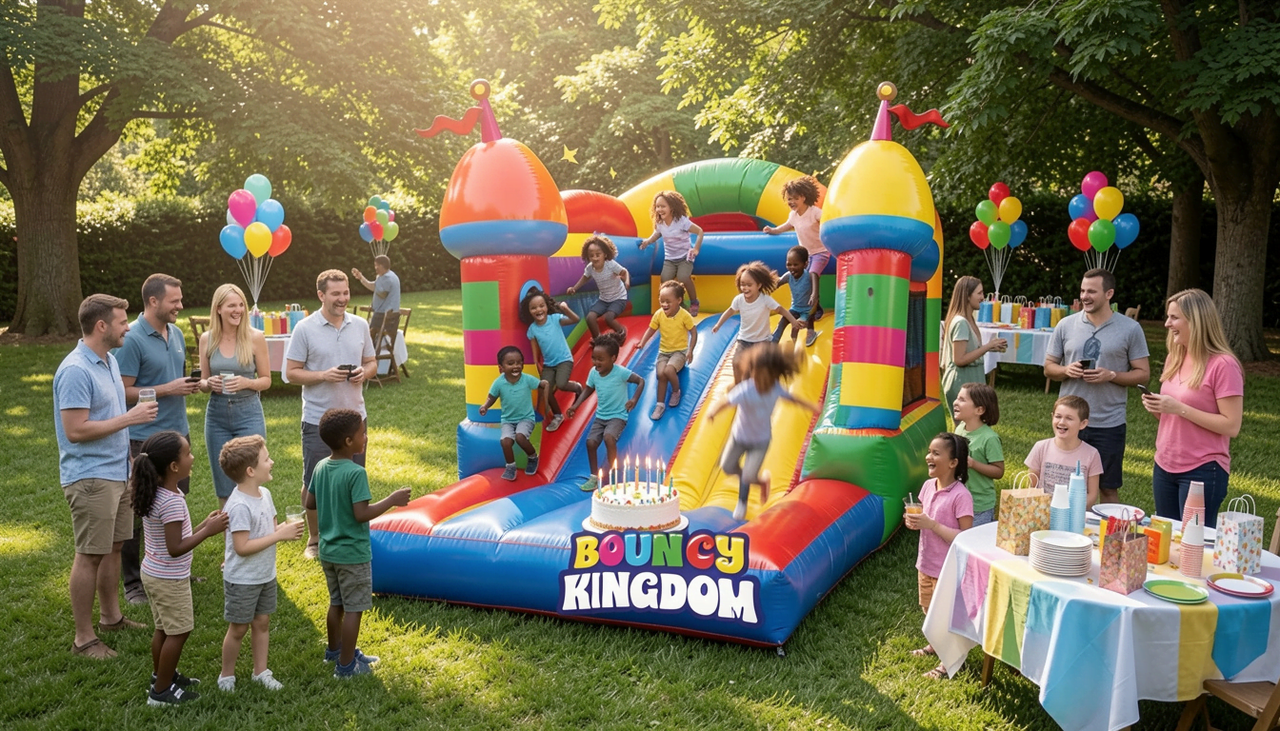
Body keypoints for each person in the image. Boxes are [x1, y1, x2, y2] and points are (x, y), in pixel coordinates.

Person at [54, 294, 158, 659]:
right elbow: (75, 430)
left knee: (114, 548)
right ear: (102, 326)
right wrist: (131, 418)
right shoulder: (75, 370)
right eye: (122, 321)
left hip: (118, 471)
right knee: (89, 555)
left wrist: (128, 460)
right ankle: (84, 638)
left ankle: (111, 618)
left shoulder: (109, 360)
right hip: (90, 477)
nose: (128, 327)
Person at [304, 409, 411, 678]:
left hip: (328, 551)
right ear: (349, 441)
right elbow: (361, 514)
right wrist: (392, 500)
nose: (366, 437)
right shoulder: (355, 473)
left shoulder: (321, 466)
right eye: (362, 433)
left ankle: (335, 651)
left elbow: (309, 502)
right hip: (352, 554)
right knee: (354, 609)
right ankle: (346, 666)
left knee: (336, 603)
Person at [116, 273, 202, 604]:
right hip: (143, 440)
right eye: (174, 301)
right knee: (138, 510)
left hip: (178, 434)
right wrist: (168, 389)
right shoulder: (132, 338)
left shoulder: (176, 333)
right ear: (153, 301)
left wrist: (187, 386)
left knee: (174, 505)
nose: (180, 305)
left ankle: (173, 568)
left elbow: (171, 380)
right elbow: (123, 392)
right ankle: (133, 583)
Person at [131, 431, 228, 706]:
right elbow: (175, 548)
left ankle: (162, 676)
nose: (192, 457)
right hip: (169, 579)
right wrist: (208, 532)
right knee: (179, 631)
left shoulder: (159, 493)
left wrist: (202, 525)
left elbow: (174, 538)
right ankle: (161, 692)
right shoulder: (171, 501)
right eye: (188, 454)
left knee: (163, 629)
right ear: (174, 466)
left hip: (153, 573)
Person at [286, 270, 377, 560]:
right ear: (321, 295)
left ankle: (350, 533)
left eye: (345, 292)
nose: (342, 298)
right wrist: (324, 375)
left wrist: (365, 372)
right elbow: (291, 373)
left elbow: (372, 361)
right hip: (317, 419)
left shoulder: (359, 324)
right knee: (314, 481)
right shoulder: (305, 328)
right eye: (335, 293)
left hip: (354, 418)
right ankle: (314, 539)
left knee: (354, 478)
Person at [1045, 268, 1150, 504]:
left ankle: (1108, 529)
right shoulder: (1065, 325)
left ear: (1109, 294)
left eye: (1091, 291)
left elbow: (1143, 375)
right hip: (1069, 422)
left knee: (1107, 489)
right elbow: (1048, 367)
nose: (1084, 296)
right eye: (1082, 291)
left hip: (1108, 423)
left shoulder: (1130, 329)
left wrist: (1111, 375)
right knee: (1062, 486)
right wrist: (1066, 370)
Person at [1142, 289, 1244, 528]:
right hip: (1164, 464)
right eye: (1168, 317)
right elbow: (1176, 418)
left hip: (1203, 470)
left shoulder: (1224, 365)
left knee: (1194, 543)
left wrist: (1179, 408)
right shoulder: (1175, 358)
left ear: (1195, 320)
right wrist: (1159, 407)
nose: (1167, 324)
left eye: (1174, 318)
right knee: (1167, 538)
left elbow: (1232, 425)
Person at [217, 435, 304, 692]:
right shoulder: (239, 506)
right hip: (243, 579)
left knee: (262, 623)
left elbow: (269, 530)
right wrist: (279, 535)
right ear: (250, 471)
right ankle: (226, 675)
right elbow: (242, 547)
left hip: (265, 574)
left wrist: (284, 529)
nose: (272, 462)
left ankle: (260, 671)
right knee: (238, 628)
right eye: (267, 459)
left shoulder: (264, 494)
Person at [705, 344, 820, 521]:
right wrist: (713, 411)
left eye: (763, 376)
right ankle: (760, 481)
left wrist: (811, 406)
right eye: (755, 374)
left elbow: (793, 399)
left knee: (748, 474)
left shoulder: (776, 388)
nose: (758, 379)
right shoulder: (746, 389)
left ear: (773, 375)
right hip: (739, 437)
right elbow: (726, 401)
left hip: (760, 441)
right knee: (727, 466)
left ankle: (743, 500)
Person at [906, 432, 973, 680]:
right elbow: (924, 517)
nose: (928, 457)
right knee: (929, 609)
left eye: (936, 453)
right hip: (926, 562)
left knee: (946, 616)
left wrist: (932, 525)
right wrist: (914, 522)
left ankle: (949, 662)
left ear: (953, 462)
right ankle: (936, 644)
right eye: (929, 451)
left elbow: (965, 537)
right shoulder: (927, 486)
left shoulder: (961, 496)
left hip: (948, 569)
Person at [198, 283, 271, 508]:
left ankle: (256, 527)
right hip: (217, 414)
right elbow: (202, 382)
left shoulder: (255, 337)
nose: (238, 310)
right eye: (232, 306)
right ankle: (230, 530)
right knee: (224, 486)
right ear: (218, 309)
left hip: (248, 412)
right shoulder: (207, 339)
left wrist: (247, 382)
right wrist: (208, 383)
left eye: (241, 305)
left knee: (251, 479)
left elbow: (266, 380)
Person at [566, 333, 644, 492]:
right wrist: (576, 405)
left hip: (618, 415)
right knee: (591, 442)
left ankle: (615, 472)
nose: (596, 362)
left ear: (613, 358)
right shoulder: (593, 373)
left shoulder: (620, 372)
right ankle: (594, 477)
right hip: (601, 416)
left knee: (609, 437)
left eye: (600, 359)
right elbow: (589, 389)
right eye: (594, 358)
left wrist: (634, 399)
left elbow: (640, 381)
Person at [712, 261, 804, 382]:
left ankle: (764, 384)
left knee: (760, 368)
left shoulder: (765, 300)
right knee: (736, 363)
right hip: (744, 340)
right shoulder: (739, 300)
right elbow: (730, 311)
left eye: (749, 285)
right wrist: (718, 324)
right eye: (742, 284)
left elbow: (781, 310)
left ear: (759, 285)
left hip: (762, 341)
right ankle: (739, 387)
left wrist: (793, 321)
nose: (745, 288)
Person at [764, 175, 828, 327]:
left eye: (795, 198)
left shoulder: (814, 212)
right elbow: (786, 226)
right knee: (803, 279)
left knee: (812, 275)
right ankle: (806, 306)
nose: (791, 202)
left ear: (804, 197)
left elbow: (827, 222)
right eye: (789, 199)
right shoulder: (793, 215)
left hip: (821, 251)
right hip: (806, 255)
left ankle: (816, 305)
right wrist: (773, 230)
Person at [478, 346, 548, 481]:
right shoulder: (499, 383)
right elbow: (492, 397)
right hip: (508, 420)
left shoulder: (527, 379)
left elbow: (541, 385)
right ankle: (510, 467)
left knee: (520, 437)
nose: (516, 366)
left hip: (526, 418)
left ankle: (533, 457)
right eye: (510, 364)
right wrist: (485, 406)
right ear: (501, 368)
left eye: (519, 363)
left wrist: (544, 384)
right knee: (506, 442)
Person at [520, 287, 582, 432]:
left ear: (547, 307)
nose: (538, 310)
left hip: (564, 359)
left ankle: (577, 388)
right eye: (533, 308)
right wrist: (536, 363)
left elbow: (576, 319)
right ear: (529, 311)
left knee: (561, 384)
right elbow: (535, 347)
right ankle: (558, 415)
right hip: (548, 363)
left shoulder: (555, 319)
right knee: (545, 389)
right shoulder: (532, 329)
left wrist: (565, 309)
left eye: (541, 306)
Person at [941, 276, 1005, 413]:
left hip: (971, 381)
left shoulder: (969, 319)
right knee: (969, 424)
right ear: (967, 296)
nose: (983, 297)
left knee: (975, 423)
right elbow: (959, 359)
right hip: (961, 383)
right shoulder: (961, 322)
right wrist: (987, 346)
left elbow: (970, 351)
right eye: (979, 293)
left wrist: (991, 347)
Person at [1024, 396, 1103, 507]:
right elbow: (1032, 487)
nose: (1062, 422)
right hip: (1043, 511)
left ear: (1083, 424)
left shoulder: (1092, 454)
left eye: (1069, 418)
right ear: (1052, 417)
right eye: (1058, 416)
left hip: (1075, 513)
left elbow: (1092, 495)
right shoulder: (1040, 447)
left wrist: (1072, 510)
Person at [637, 280, 697, 419]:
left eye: (668, 301)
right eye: (661, 301)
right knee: (660, 374)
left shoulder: (684, 315)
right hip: (664, 352)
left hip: (680, 352)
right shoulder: (659, 314)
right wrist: (642, 342)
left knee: (669, 370)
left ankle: (676, 391)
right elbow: (651, 329)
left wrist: (690, 350)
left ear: (679, 300)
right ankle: (660, 405)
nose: (664, 304)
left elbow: (694, 332)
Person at [638, 190, 705, 315]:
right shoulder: (660, 223)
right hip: (670, 259)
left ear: (672, 207)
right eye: (657, 206)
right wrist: (647, 241)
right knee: (665, 280)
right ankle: (679, 305)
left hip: (685, 257)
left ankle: (694, 302)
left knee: (683, 277)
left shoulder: (681, 221)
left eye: (663, 206)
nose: (659, 209)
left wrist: (696, 249)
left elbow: (700, 231)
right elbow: (657, 234)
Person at [951, 383, 1004, 526]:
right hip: (960, 499)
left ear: (979, 410)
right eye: (957, 398)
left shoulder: (989, 438)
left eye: (962, 400)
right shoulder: (960, 429)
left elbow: (999, 471)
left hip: (979, 505)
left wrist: (973, 464)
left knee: (974, 537)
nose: (955, 402)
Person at [565, 235, 630, 338]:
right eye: (591, 255)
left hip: (618, 298)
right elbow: (585, 277)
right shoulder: (590, 268)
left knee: (609, 318)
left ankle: (621, 332)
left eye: (598, 255)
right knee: (590, 318)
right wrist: (574, 288)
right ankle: (598, 339)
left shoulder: (610, 264)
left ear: (605, 254)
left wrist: (627, 281)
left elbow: (624, 271)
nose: (594, 258)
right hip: (604, 299)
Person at [771, 246, 822, 348]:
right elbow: (776, 284)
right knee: (782, 322)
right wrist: (767, 284)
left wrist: (814, 297)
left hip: (807, 311)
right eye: (789, 264)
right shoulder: (788, 276)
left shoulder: (809, 276)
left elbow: (815, 294)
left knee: (799, 326)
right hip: (795, 309)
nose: (792, 268)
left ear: (805, 264)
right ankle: (773, 343)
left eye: (795, 265)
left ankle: (810, 332)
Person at [351, 254, 401, 334]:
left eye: (376, 265)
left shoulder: (387, 278)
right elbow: (374, 287)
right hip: (389, 315)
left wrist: (373, 304)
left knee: (367, 333)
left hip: (383, 315)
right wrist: (361, 277)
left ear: (381, 265)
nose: (375, 268)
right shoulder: (389, 275)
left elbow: (382, 294)